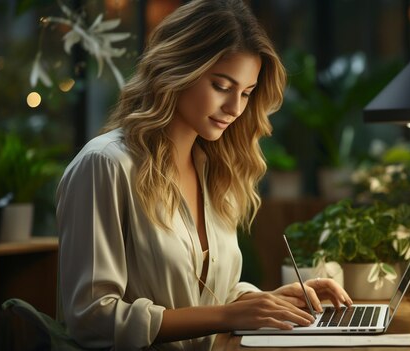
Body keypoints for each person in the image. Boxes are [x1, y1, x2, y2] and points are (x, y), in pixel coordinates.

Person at [55, 0, 352, 349]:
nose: (236, 108)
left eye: (246, 93)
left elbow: (207, 295)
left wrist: (269, 300)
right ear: (178, 68)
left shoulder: (218, 171)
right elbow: (92, 317)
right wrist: (229, 316)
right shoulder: (105, 165)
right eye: (222, 86)